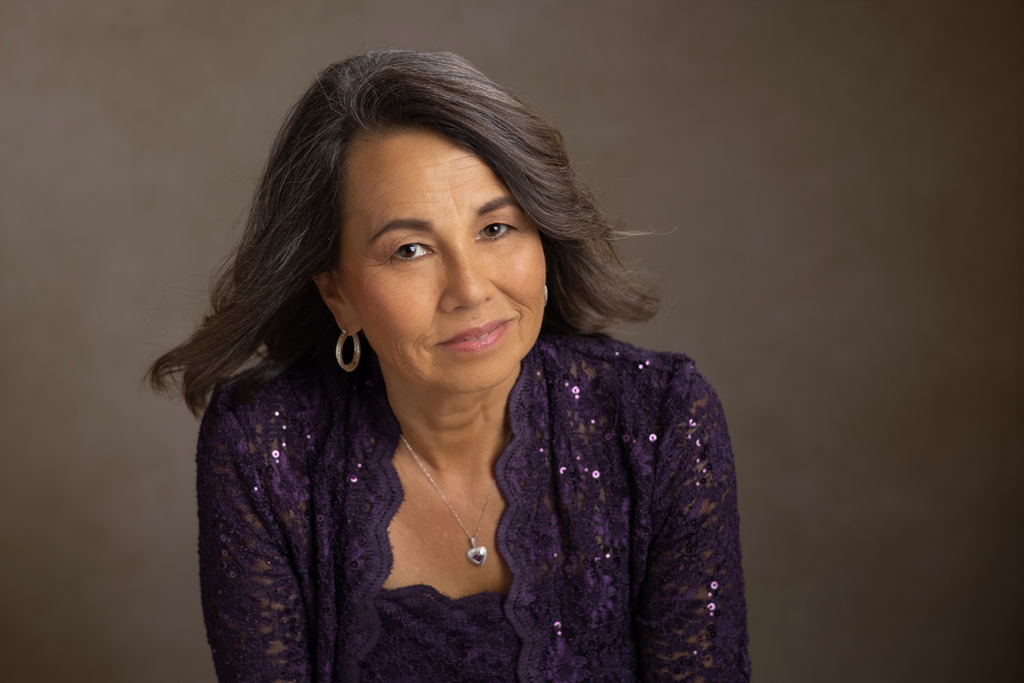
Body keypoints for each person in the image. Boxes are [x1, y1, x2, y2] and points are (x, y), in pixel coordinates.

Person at [148, 49, 750, 682]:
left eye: (496, 229)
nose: (470, 289)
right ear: (338, 294)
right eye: (409, 249)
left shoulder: (660, 417)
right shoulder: (263, 443)